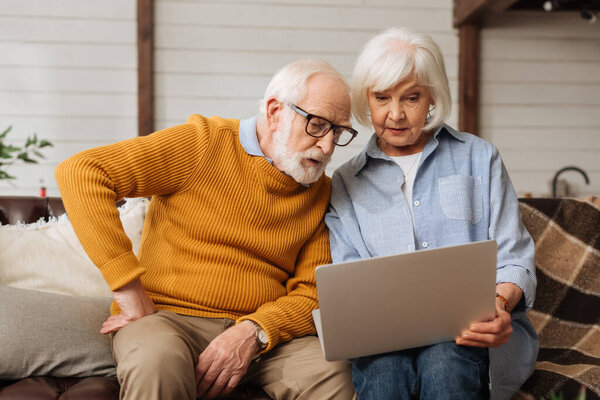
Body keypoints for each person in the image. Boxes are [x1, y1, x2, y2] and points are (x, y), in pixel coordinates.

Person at [55, 58, 359, 400]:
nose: (328, 145)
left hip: (262, 339)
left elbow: (311, 293)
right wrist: (128, 289)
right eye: (317, 125)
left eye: (339, 132)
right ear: (275, 112)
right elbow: (82, 172)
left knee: (335, 373)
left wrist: (254, 332)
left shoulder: (322, 191)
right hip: (168, 320)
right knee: (158, 361)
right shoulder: (203, 143)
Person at [325, 27, 538, 400]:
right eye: (381, 97)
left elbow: (514, 256)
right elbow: (349, 282)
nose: (396, 114)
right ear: (366, 100)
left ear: (432, 97)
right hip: (383, 340)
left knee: (443, 363)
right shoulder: (345, 182)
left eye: (411, 98)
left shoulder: (480, 158)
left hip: (469, 333)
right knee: (384, 373)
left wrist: (500, 302)